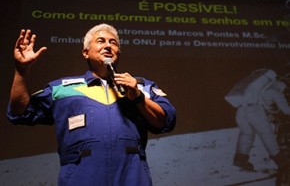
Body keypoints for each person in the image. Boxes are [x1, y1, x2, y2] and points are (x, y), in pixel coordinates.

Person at [7, 23, 176, 186]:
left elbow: (165, 121)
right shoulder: (61, 88)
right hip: (81, 177)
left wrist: (138, 97)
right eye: (101, 41)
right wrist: (21, 71)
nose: (108, 46)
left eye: (113, 43)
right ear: (85, 52)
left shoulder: (141, 86)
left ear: (118, 52)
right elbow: (20, 112)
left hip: (131, 176)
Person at [233, 77, 290, 171]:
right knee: (267, 135)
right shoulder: (276, 91)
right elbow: (286, 110)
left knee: (247, 134)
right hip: (255, 111)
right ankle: (281, 161)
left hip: (241, 110)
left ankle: (240, 159)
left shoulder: (262, 87)